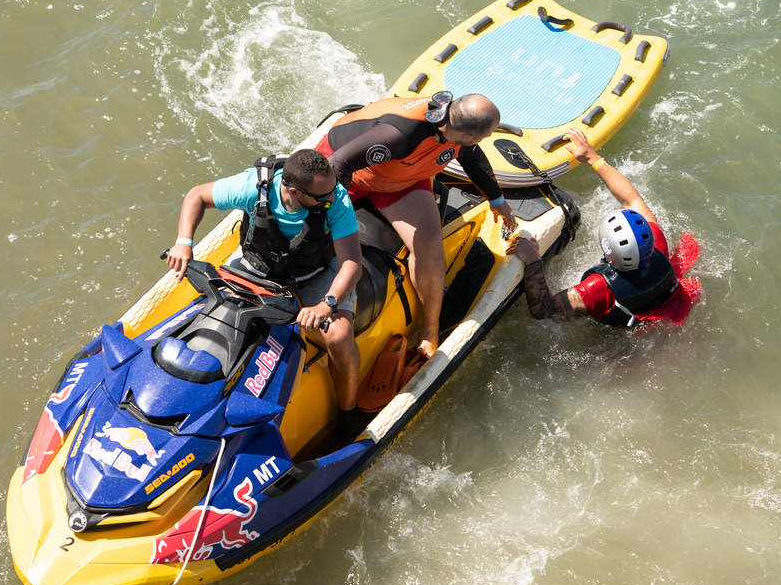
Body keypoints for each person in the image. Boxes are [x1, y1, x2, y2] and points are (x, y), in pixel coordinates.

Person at [316, 92, 518, 357]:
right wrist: (335, 217)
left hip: (401, 179)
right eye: (485, 134)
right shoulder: (400, 134)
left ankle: (430, 330)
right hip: (346, 173)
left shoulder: (456, 129)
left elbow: (472, 157)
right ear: (468, 133)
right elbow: (337, 164)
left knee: (428, 243)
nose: (484, 139)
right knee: (316, 235)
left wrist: (497, 199)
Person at [165, 149, 363, 412]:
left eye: (331, 189)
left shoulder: (335, 200)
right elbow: (197, 196)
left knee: (338, 336)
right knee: (214, 309)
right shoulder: (253, 186)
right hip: (257, 266)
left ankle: (348, 411)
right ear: (294, 191)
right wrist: (183, 242)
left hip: (314, 272)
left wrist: (326, 305)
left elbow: (351, 263)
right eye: (321, 196)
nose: (332, 197)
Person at [512, 127, 700, 326]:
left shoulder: (599, 289)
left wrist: (533, 260)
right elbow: (632, 200)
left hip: (627, 326)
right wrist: (593, 158)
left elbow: (545, 310)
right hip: (663, 301)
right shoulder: (658, 245)